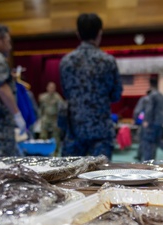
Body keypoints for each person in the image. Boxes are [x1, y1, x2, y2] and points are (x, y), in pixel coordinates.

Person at [60, 13, 123, 160]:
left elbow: (66, 93)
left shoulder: (66, 62)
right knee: (100, 178)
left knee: (70, 178)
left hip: (75, 129)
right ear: (99, 33)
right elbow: (116, 95)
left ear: (78, 34)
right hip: (100, 131)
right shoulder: (107, 61)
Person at [0, 24, 26, 156]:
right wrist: (17, 115)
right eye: (8, 41)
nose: (10, 47)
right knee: (2, 166)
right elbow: (2, 88)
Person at [140, 77, 163, 161]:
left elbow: (149, 110)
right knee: (157, 142)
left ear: (150, 85)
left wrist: (146, 120)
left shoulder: (152, 95)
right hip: (160, 122)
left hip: (152, 123)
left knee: (148, 144)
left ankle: (148, 163)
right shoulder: (161, 96)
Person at [132, 90, 151, 160]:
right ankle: (142, 156)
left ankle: (142, 156)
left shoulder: (144, 99)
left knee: (143, 139)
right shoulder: (155, 100)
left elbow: (138, 111)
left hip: (144, 123)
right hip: (152, 124)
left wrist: (136, 119)